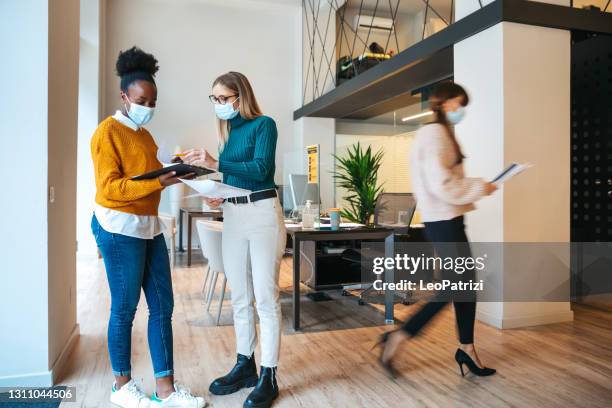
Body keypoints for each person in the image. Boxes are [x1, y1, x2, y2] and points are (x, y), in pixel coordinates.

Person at [90, 46, 204, 408]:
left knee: (162, 306)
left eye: (153, 101)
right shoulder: (107, 133)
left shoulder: (144, 135)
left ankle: (166, 389)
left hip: (148, 226)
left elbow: (147, 174)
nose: (148, 107)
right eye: (142, 100)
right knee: (124, 308)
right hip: (118, 227)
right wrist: (160, 182)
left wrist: (173, 169)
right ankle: (121, 385)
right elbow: (111, 189)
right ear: (124, 96)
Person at [377, 82, 497, 378]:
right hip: (443, 220)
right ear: (444, 103)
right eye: (458, 103)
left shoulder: (441, 133)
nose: (460, 110)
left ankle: (466, 349)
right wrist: (481, 187)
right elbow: (442, 184)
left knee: (464, 286)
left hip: (448, 219)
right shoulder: (433, 134)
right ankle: (401, 335)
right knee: (457, 286)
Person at [182, 71, 286, 408]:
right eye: (214, 99)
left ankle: (269, 374)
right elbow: (236, 178)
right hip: (235, 215)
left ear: (240, 97)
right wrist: (219, 194)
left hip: (262, 214)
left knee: (265, 297)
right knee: (240, 296)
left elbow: (259, 169)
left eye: (223, 98)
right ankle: (245, 365)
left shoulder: (264, 125)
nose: (218, 105)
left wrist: (215, 163)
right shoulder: (230, 134)